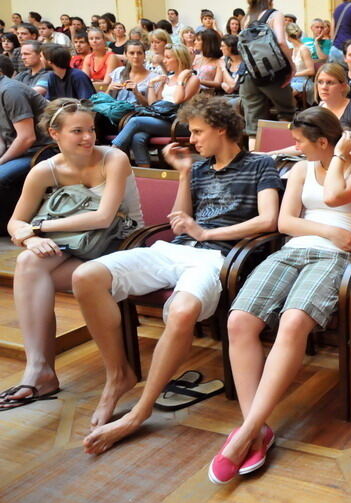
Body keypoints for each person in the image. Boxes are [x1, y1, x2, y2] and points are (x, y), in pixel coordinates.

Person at [72, 95, 281, 455]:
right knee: (86, 276)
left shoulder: (260, 165)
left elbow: (268, 221)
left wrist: (207, 234)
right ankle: (117, 375)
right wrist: (185, 173)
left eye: (199, 132)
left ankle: (140, 411)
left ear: (221, 129)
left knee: (183, 311)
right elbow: (179, 220)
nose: (193, 139)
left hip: (218, 257)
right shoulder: (199, 168)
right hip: (175, 250)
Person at [213, 106, 351, 484]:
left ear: (323, 141)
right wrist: (331, 231)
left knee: (293, 322)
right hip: (291, 250)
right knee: (239, 320)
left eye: (301, 142)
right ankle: (254, 428)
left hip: (334, 259)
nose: (294, 148)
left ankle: (244, 436)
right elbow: (285, 222)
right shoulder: (301, 169)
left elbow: (334, 197)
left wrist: (338, 156)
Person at [1, 99, 142, 411]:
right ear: (55, 134)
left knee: (32, 271)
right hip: (75, 245)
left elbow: (104, 218)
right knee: (28, 260)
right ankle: (38, 370)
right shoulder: (44, 170)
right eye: (77, 131)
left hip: (122, 244)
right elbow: (14, 221)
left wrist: (40, 227)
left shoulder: (113, 158)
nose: (88, 137)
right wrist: (27, 237)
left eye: (90, 129)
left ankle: (42, 373)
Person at [111, 44, 199, 167]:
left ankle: (110, 154)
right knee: (138, 137)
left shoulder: (192, 79)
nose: (164, 60)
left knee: (136, 121)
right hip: (163, 119)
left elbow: (178, 100)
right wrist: (151, 84)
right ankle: (145, 172)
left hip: (180, 122)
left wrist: (181, 80)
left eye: (168, 57)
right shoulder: (167, 78)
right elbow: (154, 105)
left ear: (179, 59)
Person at [0, 55, 51, 226]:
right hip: (18, 148)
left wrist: (1, 160)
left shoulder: (10, 91)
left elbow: (27, 137)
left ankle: (9, 224)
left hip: (41, 150)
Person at [240, 0, 295, 136]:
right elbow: (281, 42)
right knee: (286, 112)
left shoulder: (246, 19)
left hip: (248, 74)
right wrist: (291, 65)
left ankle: (255, 158)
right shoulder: (275, 14)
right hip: (272, 73)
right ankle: (283, 154)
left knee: (253, 124)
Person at [107, 40, 157, 106]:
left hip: (138, 114)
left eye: (139, 53)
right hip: (115, 111)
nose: (136, 56)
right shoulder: (118, 72)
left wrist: (137, 93)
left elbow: (153, 106)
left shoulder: (154, 78)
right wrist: (109, 89)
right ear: (126, 55)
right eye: (132, 53)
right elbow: (106, 99)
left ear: (144, 55)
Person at [286, 23, 316, 102]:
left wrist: (294, 74)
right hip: (293, 80)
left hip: (303, 81)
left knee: (285, 96)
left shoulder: (304, 49)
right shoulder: (293, 49)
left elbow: (311, 70)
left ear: (287, 35)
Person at [193, 29, 225, 94]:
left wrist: (199, 81)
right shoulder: (196, 57)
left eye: (198, 40)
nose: (195, 42)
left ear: (207, 42)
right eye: (195, 40)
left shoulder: (219, 61)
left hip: (207, 96)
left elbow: (218, 83)